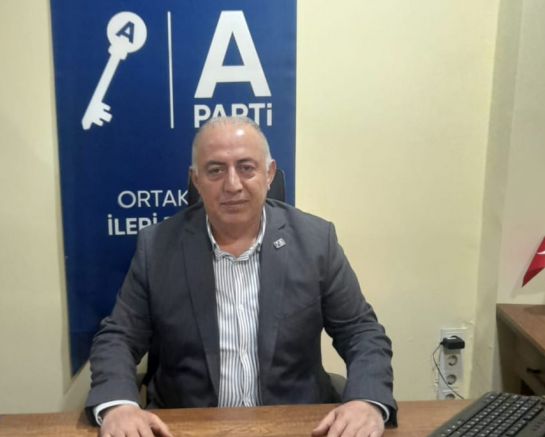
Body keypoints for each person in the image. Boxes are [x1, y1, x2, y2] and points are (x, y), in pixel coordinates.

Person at [86, 116, 396, 437]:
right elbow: (119, 337)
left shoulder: (316, 242)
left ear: (269, 173)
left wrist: (366, 400)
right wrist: (118, 405)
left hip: (296, 425)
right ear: (196, 180)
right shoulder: (157, 247)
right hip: (188, 428)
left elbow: (361, 332)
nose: (232, 185)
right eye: (216, 170)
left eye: (246, 167)